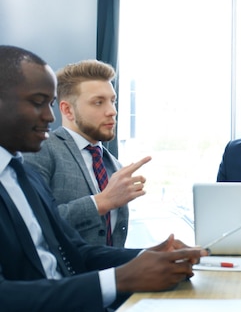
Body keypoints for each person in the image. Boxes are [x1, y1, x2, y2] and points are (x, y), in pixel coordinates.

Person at [0, 45, 206, 312]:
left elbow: (72, 250)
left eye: (51, 104)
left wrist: (148, 255)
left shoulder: (20, 173)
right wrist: (118, 277)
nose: (49, 116)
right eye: (38, 103)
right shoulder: (42, 156)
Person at [24, 60, 150, 247]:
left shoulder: (115, 165)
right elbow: (31, 223)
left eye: (112, 101)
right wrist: (102, 201)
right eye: (98, 102)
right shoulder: (42, 149)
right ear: (67, 110)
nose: (112, 111)